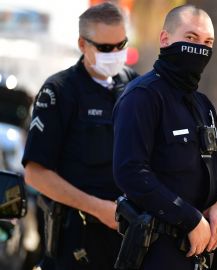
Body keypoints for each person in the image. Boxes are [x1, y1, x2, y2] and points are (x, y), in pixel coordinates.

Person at [112, 4, 217, 270]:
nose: (200, 49)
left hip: (204, 256)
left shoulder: (202, 105)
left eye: (208, 42)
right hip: (158, 253)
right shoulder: (142, 97)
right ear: (165, 39)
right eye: (191, 38)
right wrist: (189, 219)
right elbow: (130, 172)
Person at [22, 2, 138, 269]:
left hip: (129, 242)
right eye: (106, 48)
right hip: (77, 243)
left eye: (121, 45)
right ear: (82, 44)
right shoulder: (59, 91)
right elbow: (36, 174)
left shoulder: (135, 86)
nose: (115, 53)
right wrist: (98, 208)